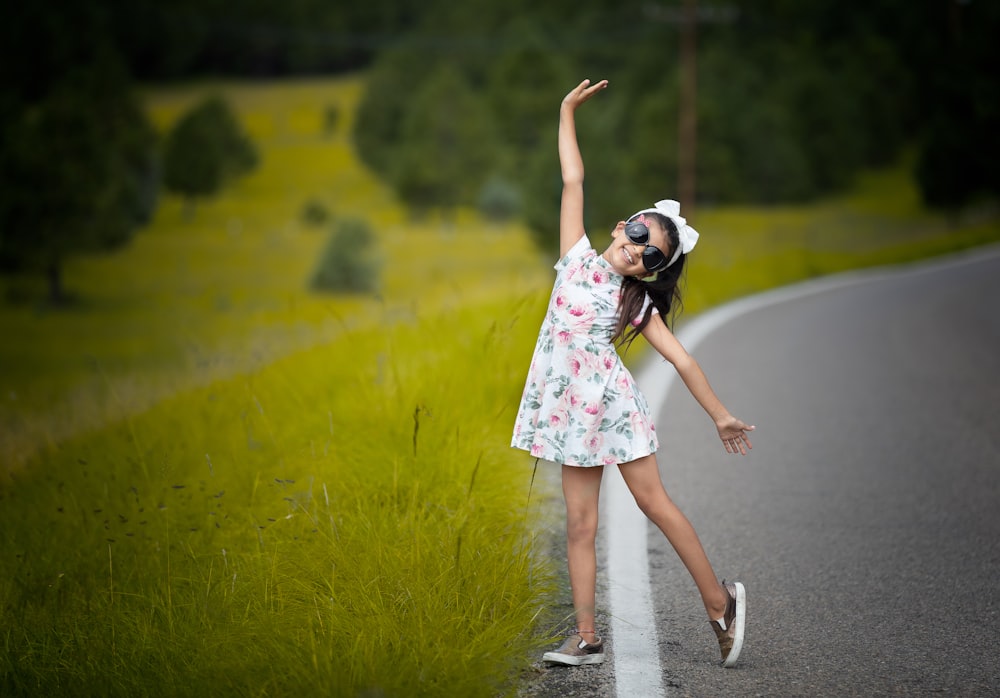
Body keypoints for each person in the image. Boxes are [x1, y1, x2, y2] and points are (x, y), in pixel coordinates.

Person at [511, 79, 755, 669]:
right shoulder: (575, 257)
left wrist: (720, 415)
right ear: (623, 226)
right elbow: (573, 179)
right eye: (640, 236)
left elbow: (681, 359)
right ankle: (589, 637)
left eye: (653, 256)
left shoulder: (634, 301)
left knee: (656, 506)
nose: (639, 252)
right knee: (578, 524)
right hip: (571, 413)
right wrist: (566, 110)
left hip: (614, 411)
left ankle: (720, 604)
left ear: (651, 273)